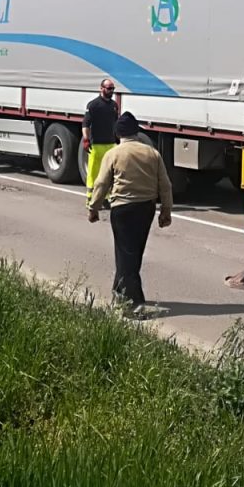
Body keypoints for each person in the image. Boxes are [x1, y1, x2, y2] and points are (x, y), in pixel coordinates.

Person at [86, 111, 173, 316]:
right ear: (136, 132)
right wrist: (166, 211)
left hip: (122, 209)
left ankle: (133, 304)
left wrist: (93, 208)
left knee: (126, 255)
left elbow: (101, 184)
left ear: (118, 134)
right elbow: (165, 185)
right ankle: (119, 293)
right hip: (146, 209)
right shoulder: (152, 153)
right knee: (133, 254)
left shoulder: (114, 154)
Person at [82, 78, 119, 205]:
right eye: (109, 88)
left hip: (111, 144)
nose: (111, 91)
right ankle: (90, 198)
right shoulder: (93, 105)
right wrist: (86, 140)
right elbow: (85, 124)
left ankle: (107, 197)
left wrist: (118, 138)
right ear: (101, 88)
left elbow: (116, 123)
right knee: (94, 173)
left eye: (113, 88)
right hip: (97, 145)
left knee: (110, 174)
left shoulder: (114, 105)